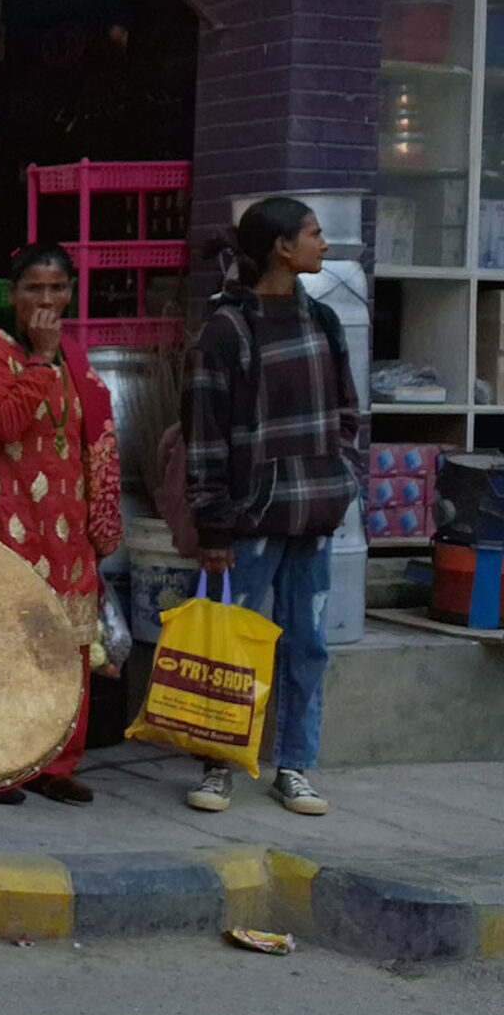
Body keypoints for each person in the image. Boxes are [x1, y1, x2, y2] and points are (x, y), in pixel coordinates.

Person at [180, 196, 361, 818]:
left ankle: (294, 765)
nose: (324, 244)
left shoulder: (325, 322)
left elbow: (347, 413)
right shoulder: (226, 330)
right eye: (314, 235)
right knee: (234, 645)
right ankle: (220, 763)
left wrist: (343, 479)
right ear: (283, 249)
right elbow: (203, 434)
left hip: (315, 516)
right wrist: (214, 522)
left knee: (307, 644)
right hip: (247, 522)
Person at [0, 242, 123, 805]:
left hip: (70, 529)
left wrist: (102, 523)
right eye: (35, 288)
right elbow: (6, 424)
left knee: (68, 651)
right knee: (7, 646)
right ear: (13, 294)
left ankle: (57, 765)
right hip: (12, 522)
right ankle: (0, 764)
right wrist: (39, 357)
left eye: (58, 288)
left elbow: (95, 445)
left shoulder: (76, 359)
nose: (47, 299)